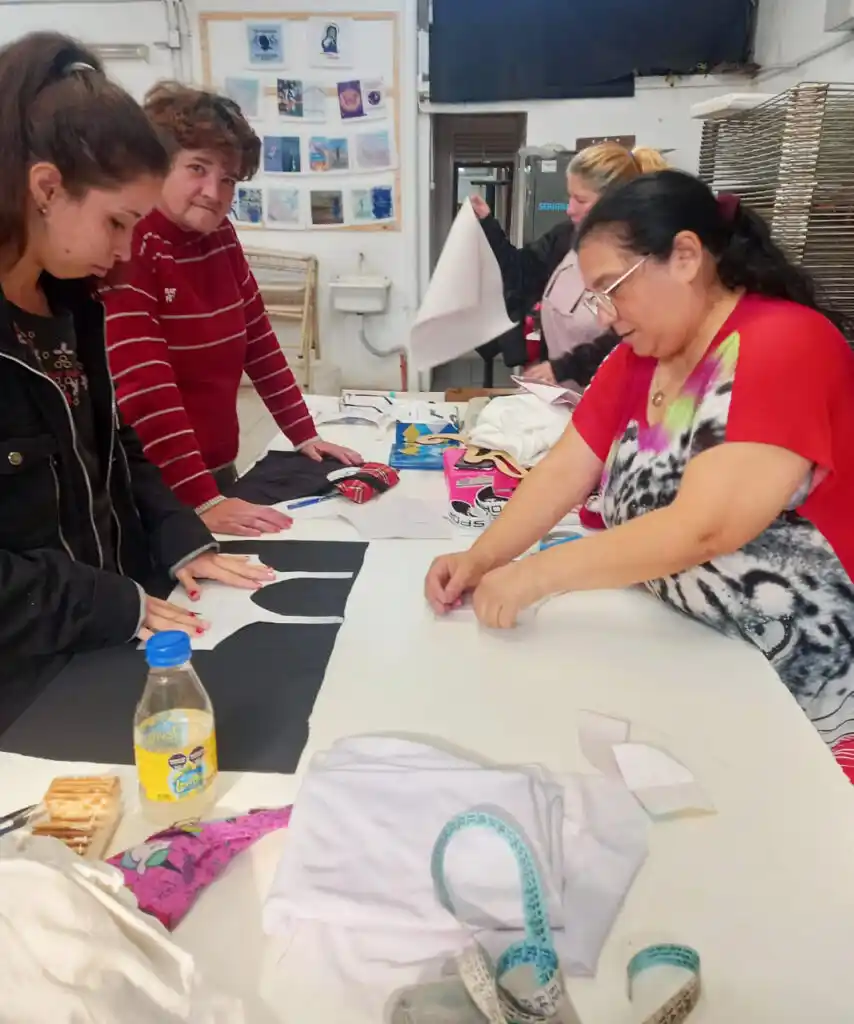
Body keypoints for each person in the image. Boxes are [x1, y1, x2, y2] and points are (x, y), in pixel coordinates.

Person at [426, 170, 854, 769]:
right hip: (696, 655)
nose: (605, 316)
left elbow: (706, 527)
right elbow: (563, 470)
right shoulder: (640, 358)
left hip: (806, 689)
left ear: (684, 256)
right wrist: (484, 557)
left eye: (613, 289)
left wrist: (535, 576)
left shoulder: (785, 343)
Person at [0, 33, 276, 694]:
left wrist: (179, 532)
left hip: (106, 643)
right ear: (46, 188)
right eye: (118, 223)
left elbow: (116, 447)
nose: (126, 252)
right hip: (28, 675)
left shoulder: (71, 303)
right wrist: (106, 603)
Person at [102, 82, 360, 539]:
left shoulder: (221, 238)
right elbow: (144, 385)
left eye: (227, 179)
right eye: (197, 169)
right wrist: (201, 498)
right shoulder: (134, 243)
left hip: (215, 465)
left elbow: (258, 341)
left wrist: (305, 434)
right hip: (158, 482)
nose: (212, 191)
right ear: (160, 166)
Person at [472, 143, 668, 387]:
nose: (569, 209)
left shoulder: (643, 257)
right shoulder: (565, 238)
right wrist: (488, 223)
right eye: (569, 197)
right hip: (560, 395)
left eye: (581, 200)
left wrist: (564, 367)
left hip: (607, 397)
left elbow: (625, 341)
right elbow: (521, 271)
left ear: (613, 201)